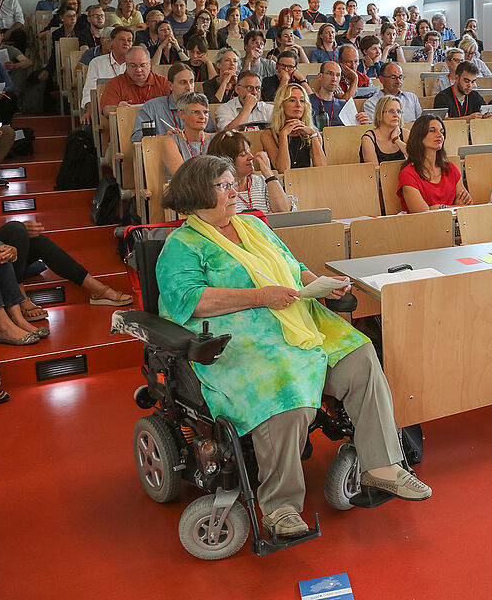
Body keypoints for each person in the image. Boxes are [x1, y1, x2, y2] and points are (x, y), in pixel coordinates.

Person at [156, 155, 431, 536]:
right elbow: (187, 300)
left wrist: (321, 284)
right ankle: (280, 507)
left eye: (234, 183)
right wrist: (259, 296)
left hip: (297, 320)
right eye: (225, 186)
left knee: (360, 353)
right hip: (239, 341)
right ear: (198, 194)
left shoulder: (252, 225)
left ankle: (382, 466)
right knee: (285, 385)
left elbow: (292, 265)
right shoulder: (182, 245)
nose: (236, 191)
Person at [0, 203, 132, 319]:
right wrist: (13, 232)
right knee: (16, 229)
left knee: (35, 239)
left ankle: (96, 289)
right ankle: (20, 297)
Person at [207, 131, 294, 214]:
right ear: (226, 160)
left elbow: (284, 212)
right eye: (243, 154)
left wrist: (269, 174)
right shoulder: (218, 189)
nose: (251, 157)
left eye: (249, 151)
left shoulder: (264, 181)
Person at [396, 116, 471, 213]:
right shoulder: (407, 174)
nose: (440, 135)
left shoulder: (451, 168)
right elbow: (423, 214)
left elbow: (468, 206)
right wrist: (454, 207)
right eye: (432, 131)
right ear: (419, 136)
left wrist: (438, 207)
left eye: (442, 131)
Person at [131, 63, 216, 143]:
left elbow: (211, 135)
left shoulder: (201, 106)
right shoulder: (151, 107)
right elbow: (136, 138)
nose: (189, 88)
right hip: (162, 155)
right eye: (183, 83)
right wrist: (163, 137)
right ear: (170, 86)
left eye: (191, 82)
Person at [262, 83, 326, 172]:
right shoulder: (268, 134)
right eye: (292, 100)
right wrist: (283, 135)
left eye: (302, 101)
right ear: (281, 104)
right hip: (283, 184)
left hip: (308, 182)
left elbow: (322, 169)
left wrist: (313, 135)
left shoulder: (313, 133)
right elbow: (283, 170)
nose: (298, 104)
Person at [99, 45, 171, 121]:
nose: (138, 70)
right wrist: (118, 109)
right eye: (133, 66)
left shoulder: (163, 83)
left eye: (143, 65)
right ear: (126, 65)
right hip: (127, 127)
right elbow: (106, 110)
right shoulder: (115, 83)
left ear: (150, 63)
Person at [79, 26, 135, 123]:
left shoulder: (136, 64)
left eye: (129, 40)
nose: (126, 43)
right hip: (104, 113)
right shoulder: (97, 63)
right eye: (122, 39)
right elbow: (89, 91)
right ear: (111, 42)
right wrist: (89, 110)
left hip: (131, 110)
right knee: (87, 126)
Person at [160, 92, 213, 178]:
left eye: (205, 112)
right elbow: (181, 178)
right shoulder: (171, 141)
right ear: (181, 114)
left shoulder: (215, 139)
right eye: (196, 112)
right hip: (183, 190)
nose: (202, 116)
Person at [359, 96, 408, 164]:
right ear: (380, 114)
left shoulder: (406, 133)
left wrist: (397, 140)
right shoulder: (368, 138)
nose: (396, 115)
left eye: (398, 111)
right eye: (391, 111)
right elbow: (374, 171)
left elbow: (418, 160)